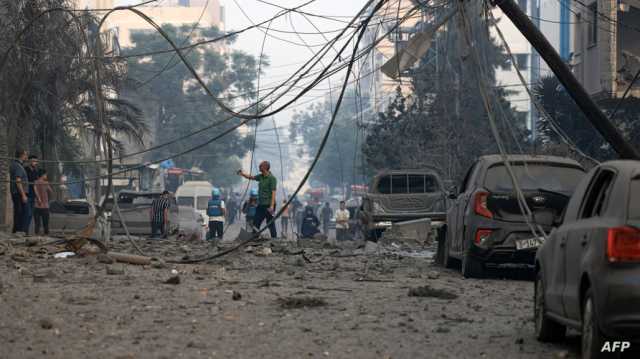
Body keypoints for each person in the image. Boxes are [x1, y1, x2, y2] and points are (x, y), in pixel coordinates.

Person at [237, 161, 277, 239]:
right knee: (256, 222)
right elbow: (251, 177)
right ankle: (254, 238)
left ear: (265, 167)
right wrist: (242, 174)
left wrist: (272, 206)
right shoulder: (261, 176)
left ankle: (274, 239)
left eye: (260, 166)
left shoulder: (272, 178)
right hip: (261, 204)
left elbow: (273, 193)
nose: (259, 167)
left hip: (269, 205)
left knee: (270, 223)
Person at [10, 149, 29, 234]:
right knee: (21, 212)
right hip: (19, 193)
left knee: (19, 211)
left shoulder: (15, 164)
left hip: (17, 193)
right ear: (21, 155)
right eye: (25, 155)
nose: (26, 156)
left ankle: (17, 231)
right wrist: (23, 195)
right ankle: (18, 231)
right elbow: (18, 181)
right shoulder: (18, 166)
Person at [33, 169, 53, 236]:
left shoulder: (35, 182)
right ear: (43, 175)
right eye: (45, 175)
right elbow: (51, 192)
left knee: (37, 223)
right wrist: (48, 199)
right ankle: (46, 236)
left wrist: (38, 199)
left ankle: (36, 236)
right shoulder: (46, 183)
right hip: (45, 206)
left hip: (36, 206)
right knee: (46, 224)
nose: (46, 176)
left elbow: (35, 191)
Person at [23, 155, 39, 234]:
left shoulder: (35, 171)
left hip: (33, 195)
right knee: (27, 213)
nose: (34, 162)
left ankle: (26, 231)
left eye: (36, 161)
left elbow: (35, 185)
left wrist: (38, 197)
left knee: (30, 215)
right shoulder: (25, 169)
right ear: (29, 161)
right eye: (33, 161)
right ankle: (24, 231)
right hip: (26, 194)